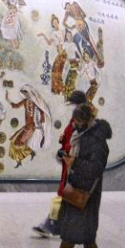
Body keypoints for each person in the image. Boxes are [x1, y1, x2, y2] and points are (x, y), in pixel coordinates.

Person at [36, 104, 111, 248]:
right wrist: (66, 156)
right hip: (77, 186)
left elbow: (96, 169)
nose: (75, 125)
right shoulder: (84, 135)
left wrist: (74, 163)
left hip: (86, 192)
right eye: (74, 121)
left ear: (87, 121)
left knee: (71, 231)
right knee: (87, 229)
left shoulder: (97, 141)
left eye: (78, 122)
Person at [33, 90, 88, 237]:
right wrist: (62, 151)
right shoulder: (75, 119)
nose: (71, 107)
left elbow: (80, 143)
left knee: (68, 197)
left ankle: (51, 224)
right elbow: (68, 139)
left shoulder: (84, 122)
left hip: (75, 165)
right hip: (68, 164)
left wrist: (67, 153)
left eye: (74, 104)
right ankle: (53, 225)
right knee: (67, 196)